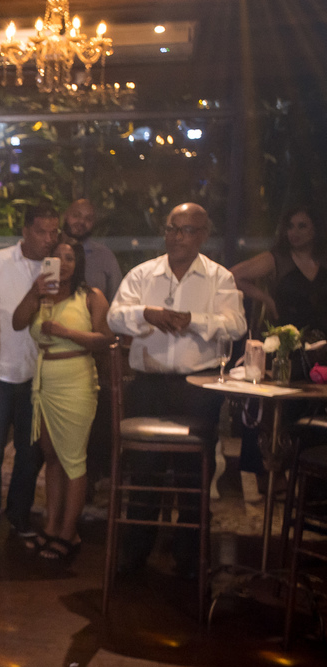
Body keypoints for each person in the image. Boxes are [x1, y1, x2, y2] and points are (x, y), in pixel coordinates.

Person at [108, 203, 246, 576]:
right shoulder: (143, 273)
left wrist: (194, 321)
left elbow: (236, 324)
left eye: (186, 230)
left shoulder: (218, 277)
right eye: (171, 228)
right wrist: (146, 314)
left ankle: (190, 558)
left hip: (197, 387)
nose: (176, 237)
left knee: (193, 473)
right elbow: (113, 316)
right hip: (148, 384)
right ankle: (134, 554)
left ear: (203, 236)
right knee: (144, 471)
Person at [11, 242, 114, 562]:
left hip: (76, 382)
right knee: (52, 457)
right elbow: (17, 322)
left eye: (70, 258)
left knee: (73, 460)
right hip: (45, 384)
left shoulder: (91, 296)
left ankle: (70, 532)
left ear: (78, 262)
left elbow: (106, 338)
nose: (63, 263)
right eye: (57, 258)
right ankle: (52, 525)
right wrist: (34, 292)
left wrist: (65, 332)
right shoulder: (42, 295)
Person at [0, 204, 58, 543]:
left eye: (53, 232)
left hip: (37, 373)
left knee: (29, 453)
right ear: (26, 231)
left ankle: (19, 515)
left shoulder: (56, 267)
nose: (48, 239)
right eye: (41, 231)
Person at [231, 206, 326, 500]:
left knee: (312, 408)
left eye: (302, 226)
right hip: (283, 343)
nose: (294, 233)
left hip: (320, 345)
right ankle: (269, 471)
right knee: (276, 408)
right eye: (290, 226)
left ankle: (308, 475)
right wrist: (265, 298)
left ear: (316, 229)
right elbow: (233, 275)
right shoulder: (276, 259)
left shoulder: (323, 260)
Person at [62, 198, 122, 301]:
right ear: (65, 216)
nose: (82, 222)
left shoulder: (104, 256)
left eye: (88, 219)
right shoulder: (50, 249)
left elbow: (118, 300)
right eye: (76, 216)